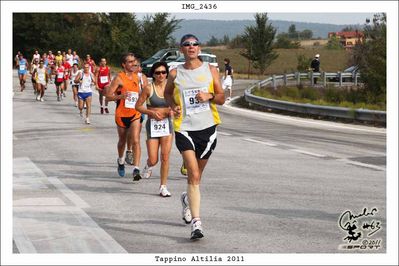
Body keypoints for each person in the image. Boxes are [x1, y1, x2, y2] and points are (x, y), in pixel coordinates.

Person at [164, 34, 225, 240]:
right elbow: (166, 94)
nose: (191, 47)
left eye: (195, 44)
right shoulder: (175, 73)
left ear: (199, 48)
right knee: (194, 175)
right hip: (184, 128)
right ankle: (197, 224)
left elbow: (222, 98)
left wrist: (209, 96)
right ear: (181, 49)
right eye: (187, 44)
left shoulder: (211, 70)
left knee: (196, 177)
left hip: (207, 128)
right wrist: (173, 106)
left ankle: (187, 199)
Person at [135, 62, 173, 197]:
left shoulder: (172, 88)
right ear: (153, 74)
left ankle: (163, 186)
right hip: (152, 126)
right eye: (158, 73)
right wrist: (151, 113)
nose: (161, 75)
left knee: (165, 157)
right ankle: (148, 165)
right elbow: (138, 106)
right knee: (153, 158)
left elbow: (178, 104)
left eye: (163, 72)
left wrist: (173, 110)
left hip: (167, 125)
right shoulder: (148, 88)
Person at [106, 53, 142, 181]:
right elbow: (108, 96)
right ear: (124, 64)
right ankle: (121, 161)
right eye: (130, 62)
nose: (133, 64)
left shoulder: (138, 78)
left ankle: (136, 169)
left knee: (136, 140)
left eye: (134, 61)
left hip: (135, 113)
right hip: (121, 114)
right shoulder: (119, 78)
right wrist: (120, 96)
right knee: (122, 141)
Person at [125, 58, 148, 165]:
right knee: (130, 132)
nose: (137, 68)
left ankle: (133, 153)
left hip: (139, 108)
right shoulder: (126, 77)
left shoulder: (143, 77)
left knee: (136, 133)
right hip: (128, 108)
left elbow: (148, 92)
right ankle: (129, 150)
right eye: (134, 66)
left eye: (138, 66)